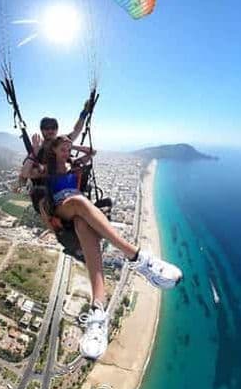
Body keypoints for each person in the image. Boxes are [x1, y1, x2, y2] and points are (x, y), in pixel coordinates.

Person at [38, 135, 183, 360]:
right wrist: (39, 149)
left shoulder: (74, 163)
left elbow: (92, 152)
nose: (67, 151)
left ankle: (98, 310)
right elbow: (27, 175)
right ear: (54, 150)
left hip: (79, 211)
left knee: (82, 223)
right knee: (78, 202)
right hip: (63, 206)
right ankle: (138, 258)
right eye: (63, 148)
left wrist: (71, 146)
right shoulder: (47, 168)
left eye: (69, 148)